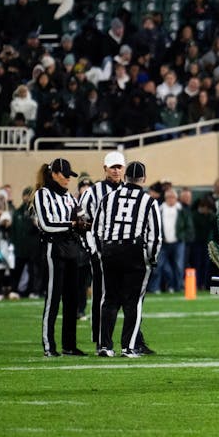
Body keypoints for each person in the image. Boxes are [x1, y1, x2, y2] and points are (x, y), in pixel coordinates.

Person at [77, 151, 155, 353]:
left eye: (120, 167)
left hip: (111, 251)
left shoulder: (115, 194)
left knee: (117, 299)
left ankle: (131, 341)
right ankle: (107, 342)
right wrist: (94, 251)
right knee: (111, 299)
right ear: (105, 169)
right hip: (109, 250)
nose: (116, 170)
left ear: (125, 171)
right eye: (113, 167)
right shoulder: (94, 193)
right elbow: (85, 225)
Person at [93, 161, 162, 358]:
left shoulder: (108, 197)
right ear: (144, 179)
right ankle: (128, 347)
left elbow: (97, 229)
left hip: (110, 251)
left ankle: (105, 346)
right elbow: (155, 235)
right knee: (133, 302)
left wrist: (102, 252)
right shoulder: (148, 201)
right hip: (134, 252)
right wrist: (152, 258)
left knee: (109, 300)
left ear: (125, 178)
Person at [35, 158, 89, 357]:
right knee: (53, 299)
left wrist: (85, 224)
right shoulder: (42, 194)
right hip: (54, 249)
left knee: (72, 300)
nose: (68, 179)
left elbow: (81, 217)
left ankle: (69, 345)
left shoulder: (69, 197)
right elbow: (47, 224)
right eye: (66, 175)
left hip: (72, 249)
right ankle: (49, 346)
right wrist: (72, 225)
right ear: (55, 174)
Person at [151, 187, 191, 293]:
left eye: (172, 197)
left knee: (179, 266)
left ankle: (178, 287)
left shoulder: (181, 210)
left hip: (178, 242)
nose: (170, 199)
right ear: (165, 198)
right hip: (163, 243)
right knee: (159, 266)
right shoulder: (160, 209)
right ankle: (155, 288)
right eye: (168, 197)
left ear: (176, 198)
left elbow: (188, 226)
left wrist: (183, 237)